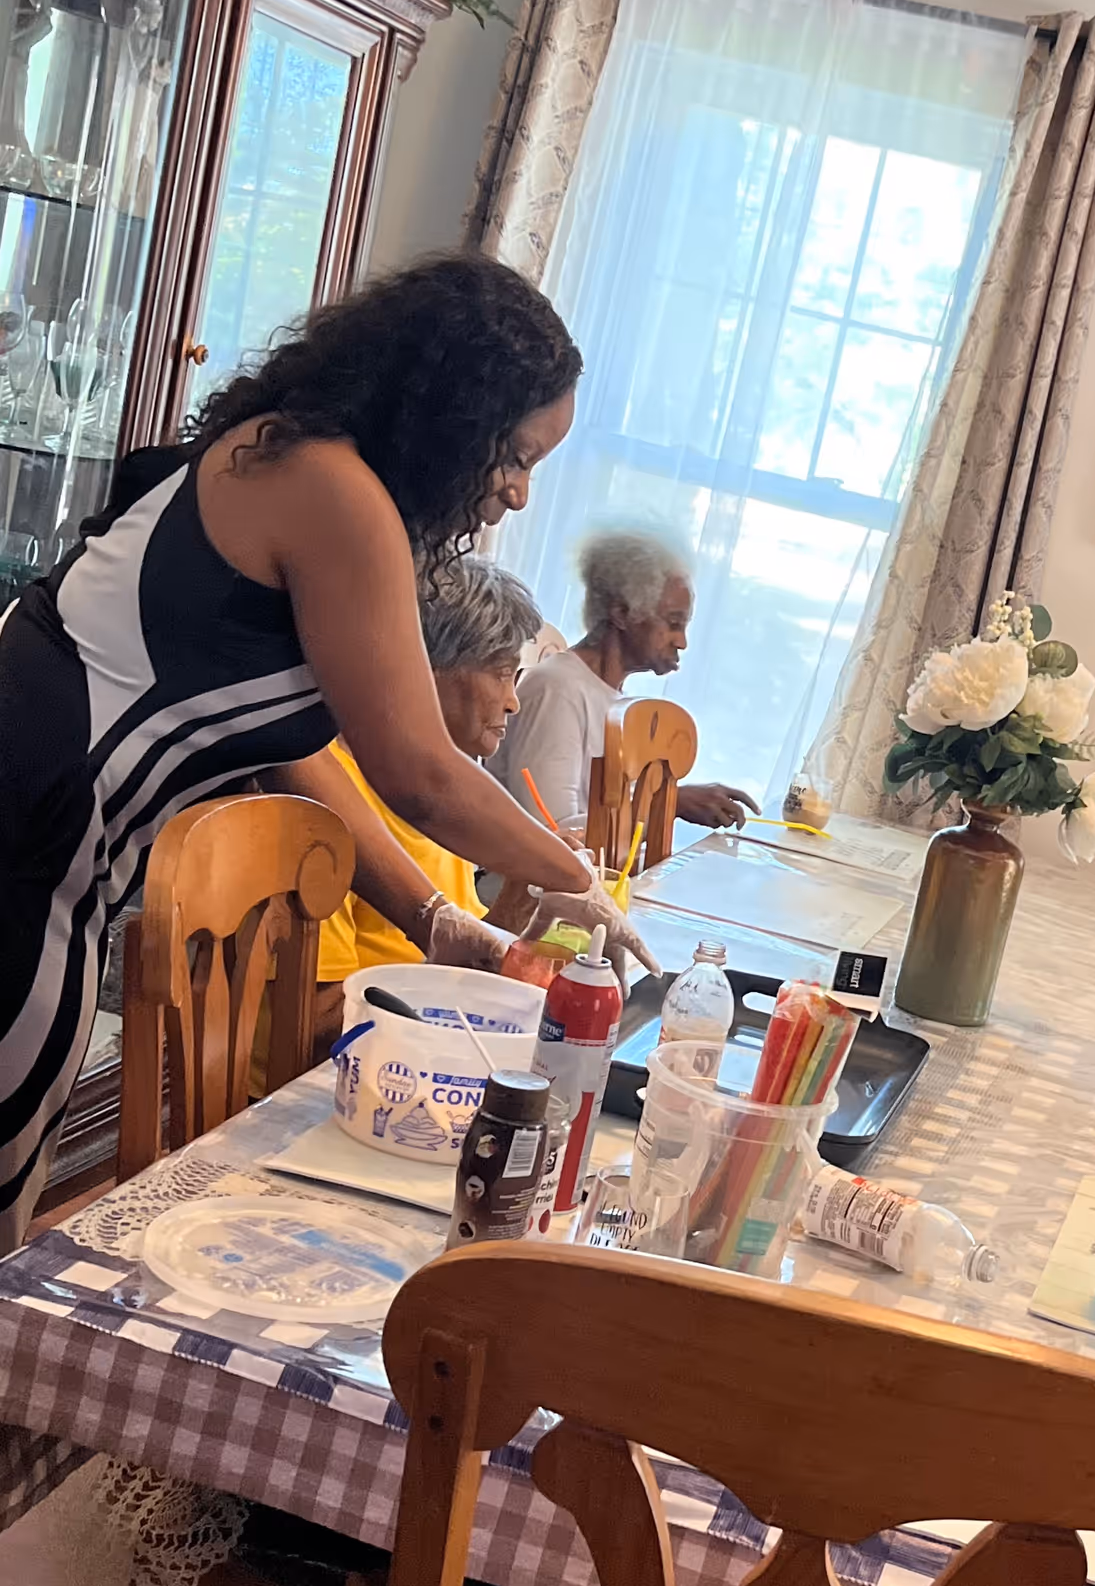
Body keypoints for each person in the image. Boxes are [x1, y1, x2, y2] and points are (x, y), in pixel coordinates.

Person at [0, 253, 657, 1255]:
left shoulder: (298, 458)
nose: (519, 493)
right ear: (452, 414)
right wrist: (576, 879)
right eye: (515, 454)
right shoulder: (335, 495)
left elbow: (295, 758)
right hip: (28, 838)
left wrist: (436, 918)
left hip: (49, 840)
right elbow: (420, 772)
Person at [316, 554, 543, 991]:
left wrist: (519, 894)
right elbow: (318, 1017)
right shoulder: (328, 796)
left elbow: (463, 961)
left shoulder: (450, 792)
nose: (512, 701)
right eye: (500, 674)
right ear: (420, 670)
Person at [491, 527, 757, 836]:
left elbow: (603, 811)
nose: (682, 642)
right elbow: (553, 833)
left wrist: (671, 801)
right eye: (673, 624)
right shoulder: (557, 690)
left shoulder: (608, 696)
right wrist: (668, 804)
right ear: (621, 613)